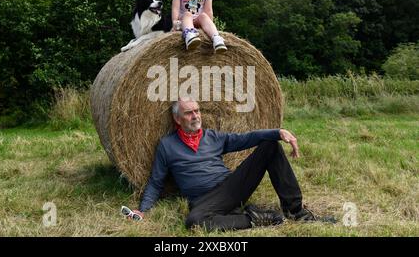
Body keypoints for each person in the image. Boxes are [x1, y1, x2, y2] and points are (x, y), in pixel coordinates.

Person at [128, 98, 333, 231]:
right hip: (203, 199)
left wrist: (278, 133)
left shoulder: (214, 137)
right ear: (177, 118)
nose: (196, 116)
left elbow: (246, 138)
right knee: (194, 221)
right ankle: (256, 217)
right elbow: (156, 182)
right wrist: (143, 210)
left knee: (270, 146)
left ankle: (295, 211)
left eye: (197, 111)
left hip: (231, 187)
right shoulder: (167, 145)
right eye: (189, 112)